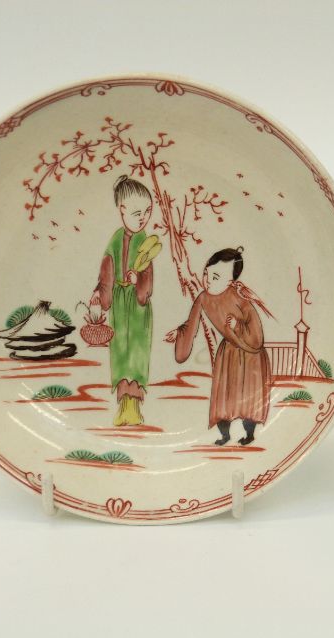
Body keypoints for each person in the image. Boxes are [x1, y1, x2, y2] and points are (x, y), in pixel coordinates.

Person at [166, 247, 272, 446]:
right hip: (228, 354)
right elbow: (191, 324)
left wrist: (237, 326)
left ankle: (249, 434)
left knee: (248, 398)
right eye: (206, 274)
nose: (207, 281)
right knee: (224, 398)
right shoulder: (203, 298)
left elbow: (257, 337)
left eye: (215, 277)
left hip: (251, 357)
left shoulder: (240, 298)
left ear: (230, 282)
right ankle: (225, 435)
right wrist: (179, 332)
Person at [90, 175, 158, 426]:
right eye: (137, 213)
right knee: (120, 351)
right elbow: (106, 270)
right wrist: (100, 293)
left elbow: (148, 275)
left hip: (138, 307)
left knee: (137, 353)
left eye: (147, 212)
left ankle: (134, 408)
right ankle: (122, 407)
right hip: (119, 303)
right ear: (122, 210)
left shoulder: (145, 241)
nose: (143, 218)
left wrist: (138, 280)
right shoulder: (116, 238)